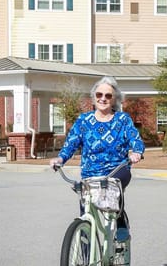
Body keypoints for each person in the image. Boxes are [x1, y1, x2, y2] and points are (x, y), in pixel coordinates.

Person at [50, 76, 145, 242]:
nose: (103, 98)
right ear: (94, 96)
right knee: (86, 215)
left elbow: (135, 139)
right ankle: (85, 261)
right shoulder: (83, 120)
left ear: (115, 99)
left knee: (115, 186)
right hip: (90, 173)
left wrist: (136, 152)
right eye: (99, 94)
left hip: (117, 169)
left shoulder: (122, 120)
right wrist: (60, 159)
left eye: (108, 96)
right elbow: (71, 144)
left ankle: (121, 220)